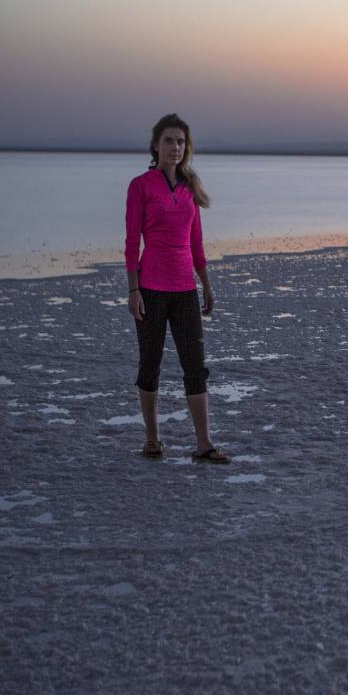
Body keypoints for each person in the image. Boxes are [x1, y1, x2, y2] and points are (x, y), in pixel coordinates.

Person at [124, 113, 230, 463]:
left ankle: (204, 443)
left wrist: (207, 286)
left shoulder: (189, 188)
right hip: (150, 289)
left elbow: (197, 243)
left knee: (195, 367)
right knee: (150, 364)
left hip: (185, 289)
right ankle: (152, 439)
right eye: (169, 140)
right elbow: (131, 243)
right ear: (156, 146)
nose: (175, 147)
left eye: (181, 141)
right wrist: (133, 291)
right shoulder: (141, 185)